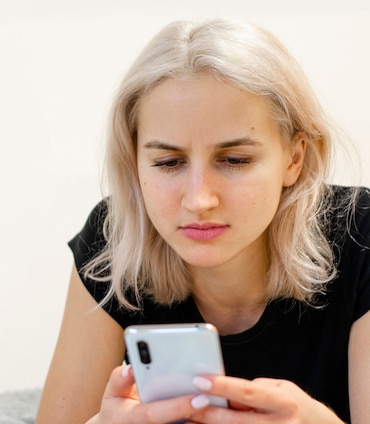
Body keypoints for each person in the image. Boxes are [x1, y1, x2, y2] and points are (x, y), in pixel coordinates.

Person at [35, 17, 370, 424]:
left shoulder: (361, 233)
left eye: (234, 160)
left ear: (294, 158)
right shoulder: (114, 237)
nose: (198, 200)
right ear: (135, 162)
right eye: (168, 163)